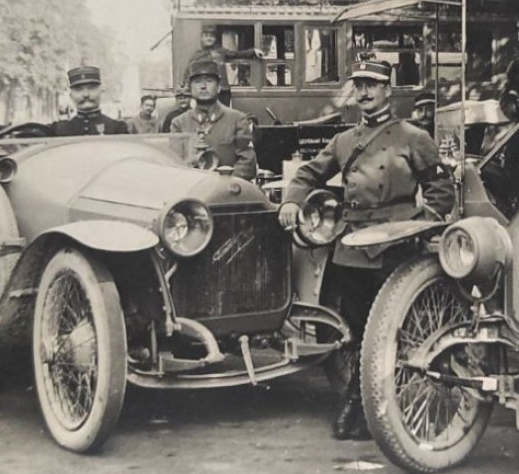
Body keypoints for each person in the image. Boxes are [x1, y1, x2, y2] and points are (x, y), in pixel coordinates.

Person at [278, 60, 455, 440]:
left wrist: (422, 223)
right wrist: (292, 200)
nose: (364, 92)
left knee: (397, 330)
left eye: (372, 85)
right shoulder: (344, 140)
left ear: (388, 90)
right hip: (353, 244)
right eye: (358, 85)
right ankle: (361, 400)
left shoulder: (412, 136)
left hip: (395, 243)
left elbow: (441, 189)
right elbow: (310, 173)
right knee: (356, 331)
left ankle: (386, 406)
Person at [169, 60, 257, 180]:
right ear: (190, 89)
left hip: (226, 192)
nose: (203, 86)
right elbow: (175, 163)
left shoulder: (237, 119)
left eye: (209, 81)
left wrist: (225, 183)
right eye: (197, 82)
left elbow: (248, 163)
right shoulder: (179, 123)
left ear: (219, 87)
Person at [52, 65, 131, 136]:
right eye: (78, 89)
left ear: (101, 90)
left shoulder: (117, 129)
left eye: (92, 88)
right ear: (70, 95)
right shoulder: (59, 130)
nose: (86, 94)